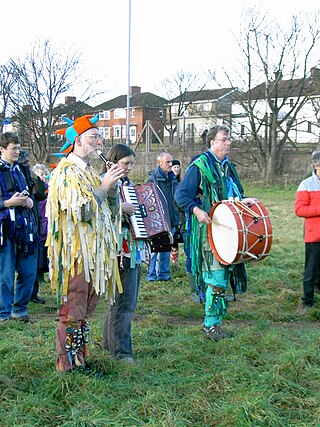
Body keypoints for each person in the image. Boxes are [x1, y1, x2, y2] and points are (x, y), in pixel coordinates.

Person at [46, 114, 124, 372]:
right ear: (78, 140)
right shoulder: (66, 172)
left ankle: (80, 359)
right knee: (72, 311)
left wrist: (112, 189)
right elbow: (82, 212)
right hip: (76, 255)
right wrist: (104, 187)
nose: (99, 142)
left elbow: (106, 211)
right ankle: (66, 364)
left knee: (84, 311)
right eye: (94, 137)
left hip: (93, 256)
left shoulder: (88, 171)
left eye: (100, 136)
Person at [175, 124, 245, 341]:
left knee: (222, 276)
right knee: (215, 277)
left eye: (229, 138)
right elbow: (181, 196)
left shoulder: (228, 168)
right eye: (224, 138)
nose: (228, 142)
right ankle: (210, 325)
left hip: (228, 232)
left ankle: (215, 322)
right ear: (212, 142)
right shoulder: (200, 166)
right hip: (207, 234)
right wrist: (197, 210)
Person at [101, 144, 143, 364]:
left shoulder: (125, 183)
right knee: (123, 300)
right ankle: (121, 351)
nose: (129, 168)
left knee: (124, 298)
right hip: (118, 249)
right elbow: (97, 209)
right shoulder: (105, 181)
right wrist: (121, 209)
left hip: (131, 247)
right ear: (113, 162)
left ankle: (109, 343)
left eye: (132, 164)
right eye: (125, 163)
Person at [0, 133, 38, 322]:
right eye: (13, 148)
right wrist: (8, 202)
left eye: (18, 148)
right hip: (5, 229)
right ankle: (4, 313)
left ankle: (20, 308)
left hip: (26, 228)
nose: (17, 151)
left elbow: (35, 191)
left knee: (29, 271)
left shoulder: (23, 170)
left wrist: (29, 200)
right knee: (6, 275)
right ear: (2, 149)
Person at [146, 152, 180, 282]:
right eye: (167, 162)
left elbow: (175, 200)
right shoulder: (152, 179)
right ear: (159, 163)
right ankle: (151, 275)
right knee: (154, 249)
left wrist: (176, 219)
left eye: (171, 162)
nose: (171, 165)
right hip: (157, 220)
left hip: (171, 219)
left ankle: (164, 274)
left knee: (167, 247)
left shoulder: (173, 179)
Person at [295, 149, 320, 314]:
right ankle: (307, 302)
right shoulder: (306, 185)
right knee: (310, 271)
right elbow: (299, 210)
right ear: (316, 165)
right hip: (314, 235)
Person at [30, 163, 50, 304]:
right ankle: (31, 293)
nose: (42, 177)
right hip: (38, 232)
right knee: (34, 266)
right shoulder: (36, 195)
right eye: (40, 175)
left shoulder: (50, 193)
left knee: (43, 264)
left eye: (44, 174)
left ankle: (35, 293)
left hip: (47, 234)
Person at [171, 160, 182, 266]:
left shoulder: (181, 182)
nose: (176, 169)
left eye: (178, 167)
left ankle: (175, 261)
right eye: (174, 167)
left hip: (178, 212)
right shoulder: (170, 181)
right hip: (171, 210)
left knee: (177, 237)